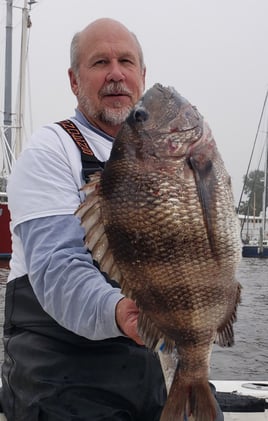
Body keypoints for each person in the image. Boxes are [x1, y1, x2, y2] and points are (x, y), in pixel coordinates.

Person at [0, 17, 223, 421]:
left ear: (142, 75)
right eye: (100, 63)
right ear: (74, 80)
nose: (116, 74)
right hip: (61, 375)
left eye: (126, 61)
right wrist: (121, 312)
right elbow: (57, 268)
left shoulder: (177, 158)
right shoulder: (51, 150)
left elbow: (211, 243)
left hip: (152, 361)